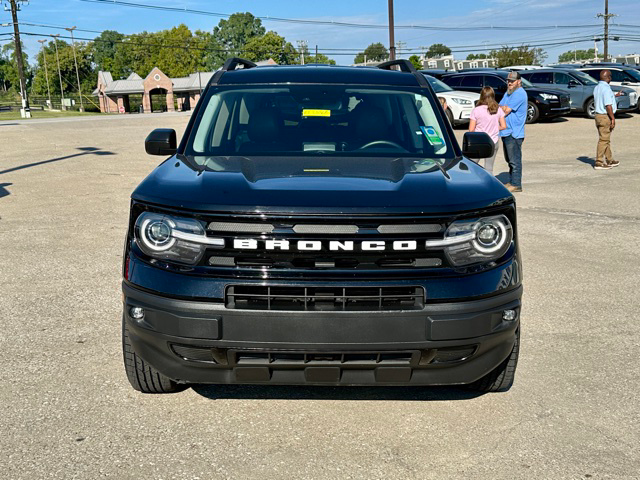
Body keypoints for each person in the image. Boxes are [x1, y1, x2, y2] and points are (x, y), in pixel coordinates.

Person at [499, 71, 527, 193]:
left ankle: (516, 184)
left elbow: (505, 111)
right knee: (509, 159)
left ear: (519, 81)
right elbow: (499, 107)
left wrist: (503, 108)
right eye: (508, 81)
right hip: (506, 131)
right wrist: (502, 108)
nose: (509, 83)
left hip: (514, 133)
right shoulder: (508, 93)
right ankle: (511, 181)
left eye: (512, 81)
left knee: (515, 160)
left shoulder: (520, 93)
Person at [469, 86, 506, 174]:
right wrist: (494, 128)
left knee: (472, 166)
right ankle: (489, 185)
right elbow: (504, 126)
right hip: (493, 141)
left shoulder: (476, 110)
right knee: (489, 168)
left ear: (481, 96)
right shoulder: (498, 109)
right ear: (493, 96)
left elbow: (471, 130)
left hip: (479, 142)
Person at [593, 69, 618, 170]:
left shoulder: (597, 87)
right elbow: (608, 105)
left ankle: (609, 159)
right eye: (610, 76)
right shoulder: (606, 89)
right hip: (605, 116)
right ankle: (599, 162)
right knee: (603, 140)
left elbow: (602, 98)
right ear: (608, 77)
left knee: (605, 139)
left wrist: (615, 95)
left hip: (598, 116)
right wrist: (612, 118)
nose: (611, 78)